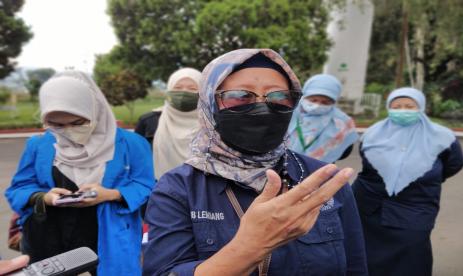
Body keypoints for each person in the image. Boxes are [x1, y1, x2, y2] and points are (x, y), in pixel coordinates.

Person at [143, 49, 367, 275]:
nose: (262, 107)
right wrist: (249, 248)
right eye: (240, 96)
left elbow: (355, 267)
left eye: (279, 96)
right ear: (210, 103)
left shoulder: (324, 181)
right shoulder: (178, 189)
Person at [5, 71, 155, 275]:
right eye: (56, 125)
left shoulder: (131, 144)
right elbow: (18, 188)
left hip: (108, 238)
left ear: (95, 110)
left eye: (77, 123)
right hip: (47, 238)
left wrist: (111, 194)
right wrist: (44, 197)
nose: (67, 131)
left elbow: (146, 186)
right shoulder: (39, 144)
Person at [352, 87, 463, 276]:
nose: (402, 110)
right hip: (369, 208)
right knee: (366, 256)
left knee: (412, 258)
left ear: (420, 107)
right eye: (396, 106)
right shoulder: (372, 133)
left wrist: (423, 179)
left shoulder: (442, 137)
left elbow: (454, 163)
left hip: (415, 207)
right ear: (388, 108)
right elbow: (366, 165)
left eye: (409, 106)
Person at [288, 74, 359, 163]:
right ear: (304, 95)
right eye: (313, 100)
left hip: (320, 170)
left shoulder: (342, 123)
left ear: (334, 102)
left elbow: (344, 153)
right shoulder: (288, 113)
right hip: (282, 169)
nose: (317, 105)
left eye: (325, 102)